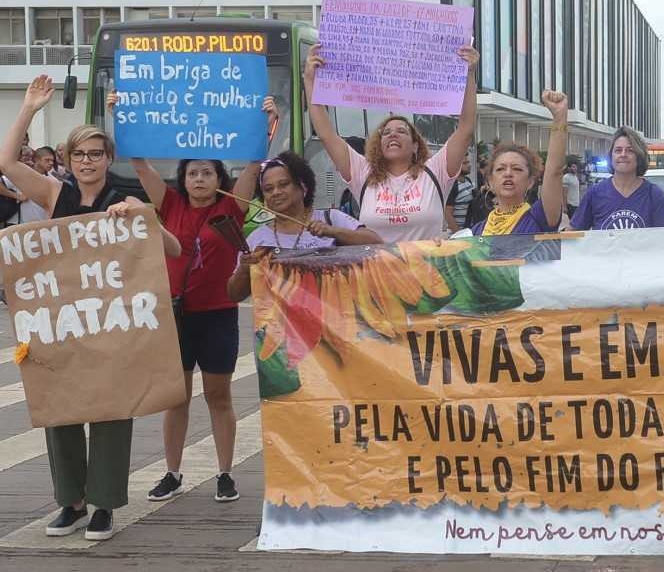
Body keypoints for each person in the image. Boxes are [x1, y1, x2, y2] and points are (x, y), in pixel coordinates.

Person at [2, 75, 181, 541]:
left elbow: (174, 250)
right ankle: (72, 502)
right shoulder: (54, 195)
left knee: (110, 413)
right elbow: (5, 162)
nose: (87, 161)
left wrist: (140, 217)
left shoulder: (125, 195)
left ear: (108, 158)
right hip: (62, 325)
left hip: (112, 327)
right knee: (58, 408)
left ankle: (103, 504)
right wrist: (29, 109)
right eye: (79, 154)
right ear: (67, 159)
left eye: (96, 153)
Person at [106, 93, 273, 504]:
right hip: (176, 314)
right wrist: (119, 115)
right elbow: (140, 163)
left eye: (207, 173)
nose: (199, 179)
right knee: (175, 397)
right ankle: (173, 472)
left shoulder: (233, 208)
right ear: (183, 179)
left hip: (218, 314)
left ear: (220, 179)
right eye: (193, 173)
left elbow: (254, 163)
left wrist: (269, 121)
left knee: (219, 396)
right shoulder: (170, 205)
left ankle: (224, 473)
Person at [304, 42, 479, 243]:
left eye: (401, 131)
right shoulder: (363, 173)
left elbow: (465, 129)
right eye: (386, 133)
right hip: (377, 272)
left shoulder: (435, 171)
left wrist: (469, 76)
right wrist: (310, 80)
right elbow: (326, 134)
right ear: (379, 144)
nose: (392, 135)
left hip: (425, 271)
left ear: (415, 145)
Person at [228, 152, 382, 301]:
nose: (276, 192)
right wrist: (244, 270)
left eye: (283, 184)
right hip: (280, 327)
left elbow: (375, 242)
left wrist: (333, 232)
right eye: (268, 189)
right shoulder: (257, 238)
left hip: (334, 323)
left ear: (303, 187)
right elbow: (235, 295)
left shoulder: (331, 218)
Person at [462, 91, 568, 236]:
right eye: (500, 169)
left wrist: (560, 118)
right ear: (489, 182)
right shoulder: (476, 232)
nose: (508, 173)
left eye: (517, 169)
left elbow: (555, 171)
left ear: (530, 182)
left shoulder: (539, 217)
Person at [570, 126, 664, 230]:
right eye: (618, 150)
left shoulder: (654, 195)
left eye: (630, 150)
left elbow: (663, 239)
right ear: (611, 156)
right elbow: (573, 234)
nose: (623, 154)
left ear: (639, 156)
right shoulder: (594, 194)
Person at [2, 145, 55, 225]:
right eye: (47, 160)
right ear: (37, 160)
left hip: (44, 225)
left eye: (52, 160)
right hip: (20, 225)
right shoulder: (22, 174)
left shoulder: (53, 180)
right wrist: (17, 196)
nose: (51, 163)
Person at [444, 161, 475, 232]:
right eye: (465, 163)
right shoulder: (452, 185)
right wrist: (459, 234)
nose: (469, 165)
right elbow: (448, 214)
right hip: (457, 233)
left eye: (468, 163)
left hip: (468, 230)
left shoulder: (468, 181)